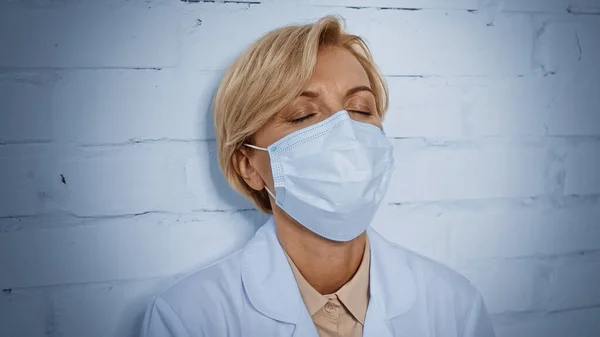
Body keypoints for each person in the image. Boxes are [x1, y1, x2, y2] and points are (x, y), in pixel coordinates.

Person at [140, 15, 495, 337]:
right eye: (303, 115)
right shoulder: (189, 319)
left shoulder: (453, 307)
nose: (345, 133)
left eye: (360, 109)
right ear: (248, 166)